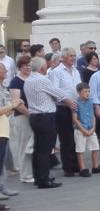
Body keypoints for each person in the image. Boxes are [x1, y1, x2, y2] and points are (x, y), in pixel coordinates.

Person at [25, 56, 76, 189]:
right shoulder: (42, 80)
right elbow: (57, 92)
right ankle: (44, 179)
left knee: (38, 149)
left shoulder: (28, 80)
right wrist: (69, 101)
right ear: (42, 68)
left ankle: (38, 177)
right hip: (45, 116)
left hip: (35, 116)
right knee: (45, 150)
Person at [49, 48, 82, 176]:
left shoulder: (76, 71)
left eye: (74, 56)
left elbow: (79, 87)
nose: (73, 58)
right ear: (63, 57)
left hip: (76, 107)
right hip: (62, 108)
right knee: (66, 138)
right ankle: (68, 167)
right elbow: (54, 91)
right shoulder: (56, 72)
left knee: (76, 138)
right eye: (70, 56)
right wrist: (66, 100)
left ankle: (76, 164)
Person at [8, 56, 35, 184]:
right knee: (24, 146)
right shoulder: (15, 81)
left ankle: (33, 171)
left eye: (30, 65)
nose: (28, 67)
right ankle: (25, 175)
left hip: (34, 116)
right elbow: (17, 103)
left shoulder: (32, 79)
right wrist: (30, 113)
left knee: (32, 146)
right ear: (20, 66)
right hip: (23, 117)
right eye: (25, 65)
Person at [72, 82, 100, 177]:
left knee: (95, 147)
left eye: (88, 91)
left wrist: (93, 127)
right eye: (85, 91)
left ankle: (95, 166)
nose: (87, 93)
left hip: (90, 127)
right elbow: (74, 119)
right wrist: (83, 129)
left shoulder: (90, 101)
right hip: (81, 129)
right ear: (79, 92)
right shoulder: (76, 103)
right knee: (80, 149)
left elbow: (93, 115)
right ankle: (82, 168)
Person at [0, 65, 19, 198]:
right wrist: (12, 105)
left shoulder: (2, 87)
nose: (6, 72)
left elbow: (4, 110)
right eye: (3, 70)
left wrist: (13, 107)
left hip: (4, 129)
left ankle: (2, 186)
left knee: (2, 162)